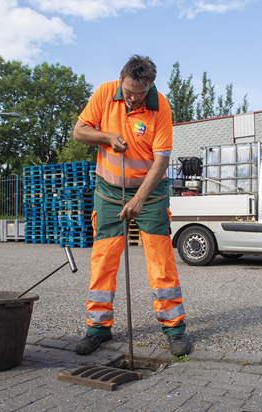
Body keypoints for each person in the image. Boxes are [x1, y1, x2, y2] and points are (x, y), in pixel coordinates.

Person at [72, 55, 191, 357]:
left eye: (139, 93)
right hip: (109, 192)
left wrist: (139, 199)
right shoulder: (104, 93)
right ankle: (98, 328)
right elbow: (79, 131)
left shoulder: (160, 106)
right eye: (128, 92)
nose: (133, 99)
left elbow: (161, 161)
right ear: (121, 80)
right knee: (103, 259)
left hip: (149, 194)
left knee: (160, 259)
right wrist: (107, 137)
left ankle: (174, 328)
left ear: (149, 85)